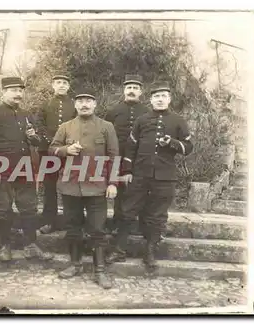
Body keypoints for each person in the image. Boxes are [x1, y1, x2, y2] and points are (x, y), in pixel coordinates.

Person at [114, 80, 193, 271]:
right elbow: (131, 148)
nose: (159, 100)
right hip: (140, 175)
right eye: (156, 96)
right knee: (127, 210)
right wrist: (126, 171)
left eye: (163, 96)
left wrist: (173, 142)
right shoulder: (142, 120)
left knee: (157, 216)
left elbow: (189, 147)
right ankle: (119, 249)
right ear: (150, 99)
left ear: (169, 99)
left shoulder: (178, 121)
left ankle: (150, 252)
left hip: (165, 177)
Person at [49, 88, 119, 289]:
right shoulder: (65, 127)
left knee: (97, 229)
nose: (84, 104)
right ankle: (75, 264)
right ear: (75, 105)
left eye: (88, 100)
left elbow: (114, 157)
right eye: (80, 101)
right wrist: (65, 150)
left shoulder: (107, 127)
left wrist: (113, 182)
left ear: (95, 104)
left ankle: (100, 270)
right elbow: (52, 149)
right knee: (72, 228)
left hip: (97, 187)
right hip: (70, 186)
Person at [0, 76, 53, 262]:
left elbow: (37, 142)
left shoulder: (26, 114)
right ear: (3, 92)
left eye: (20, 91)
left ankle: (31, 245)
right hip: (2, 168)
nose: (18, 94)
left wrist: (33, 137)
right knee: (3, 209)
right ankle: (5, 246)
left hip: (24, 167)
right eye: (13, 90)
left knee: (29, 208)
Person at [104, 74, 150, 263]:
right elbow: (106, 133)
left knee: (135, 192)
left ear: (141, 91)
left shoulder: (147, 112)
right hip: (116, 157)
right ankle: (116, 222)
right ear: (124, 90)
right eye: (128, 87)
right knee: (118, 190)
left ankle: (135, 225)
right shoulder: (113, 111)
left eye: (135, 87)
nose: (131, 90)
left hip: (139, 160)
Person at [35, 73, 77, 234]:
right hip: (48, 152)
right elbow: (39, 124)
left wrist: (67, 145)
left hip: (69, 152)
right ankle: (49, 221)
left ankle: (70, 221)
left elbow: (77, 125)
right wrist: (52, 142)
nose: (61, 85)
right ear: (53, 85)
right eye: (58, 82)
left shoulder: (74, 105)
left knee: (70, 185)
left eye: (64, 83)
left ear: (68, 86)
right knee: (49, 186)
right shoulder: (45, 104)